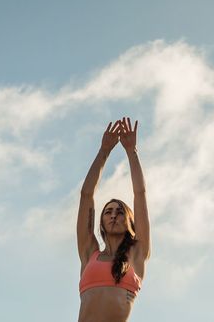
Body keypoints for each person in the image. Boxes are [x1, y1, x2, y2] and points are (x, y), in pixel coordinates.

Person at [76, 117, 150, 322]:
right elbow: (86, 195)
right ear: (101, 222)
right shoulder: (89, 252)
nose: (114, 215)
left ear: (129, 223)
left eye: (119, 212)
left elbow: (140, 194)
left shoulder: (137, 253)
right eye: (108, 212)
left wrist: (131, 152)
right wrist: (104, 151)